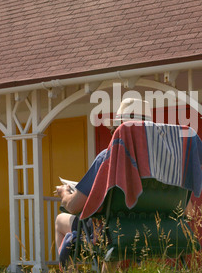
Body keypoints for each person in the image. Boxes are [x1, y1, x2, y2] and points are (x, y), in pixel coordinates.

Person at [55, 97, 152, 251]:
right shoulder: (161, 164)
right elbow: (188, 210)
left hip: (110, 231)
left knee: (60, 220)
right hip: (157, 229)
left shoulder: (107, 158)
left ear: (118, 131)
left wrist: (64, 193)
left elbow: (74, 207)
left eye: (114, 130)